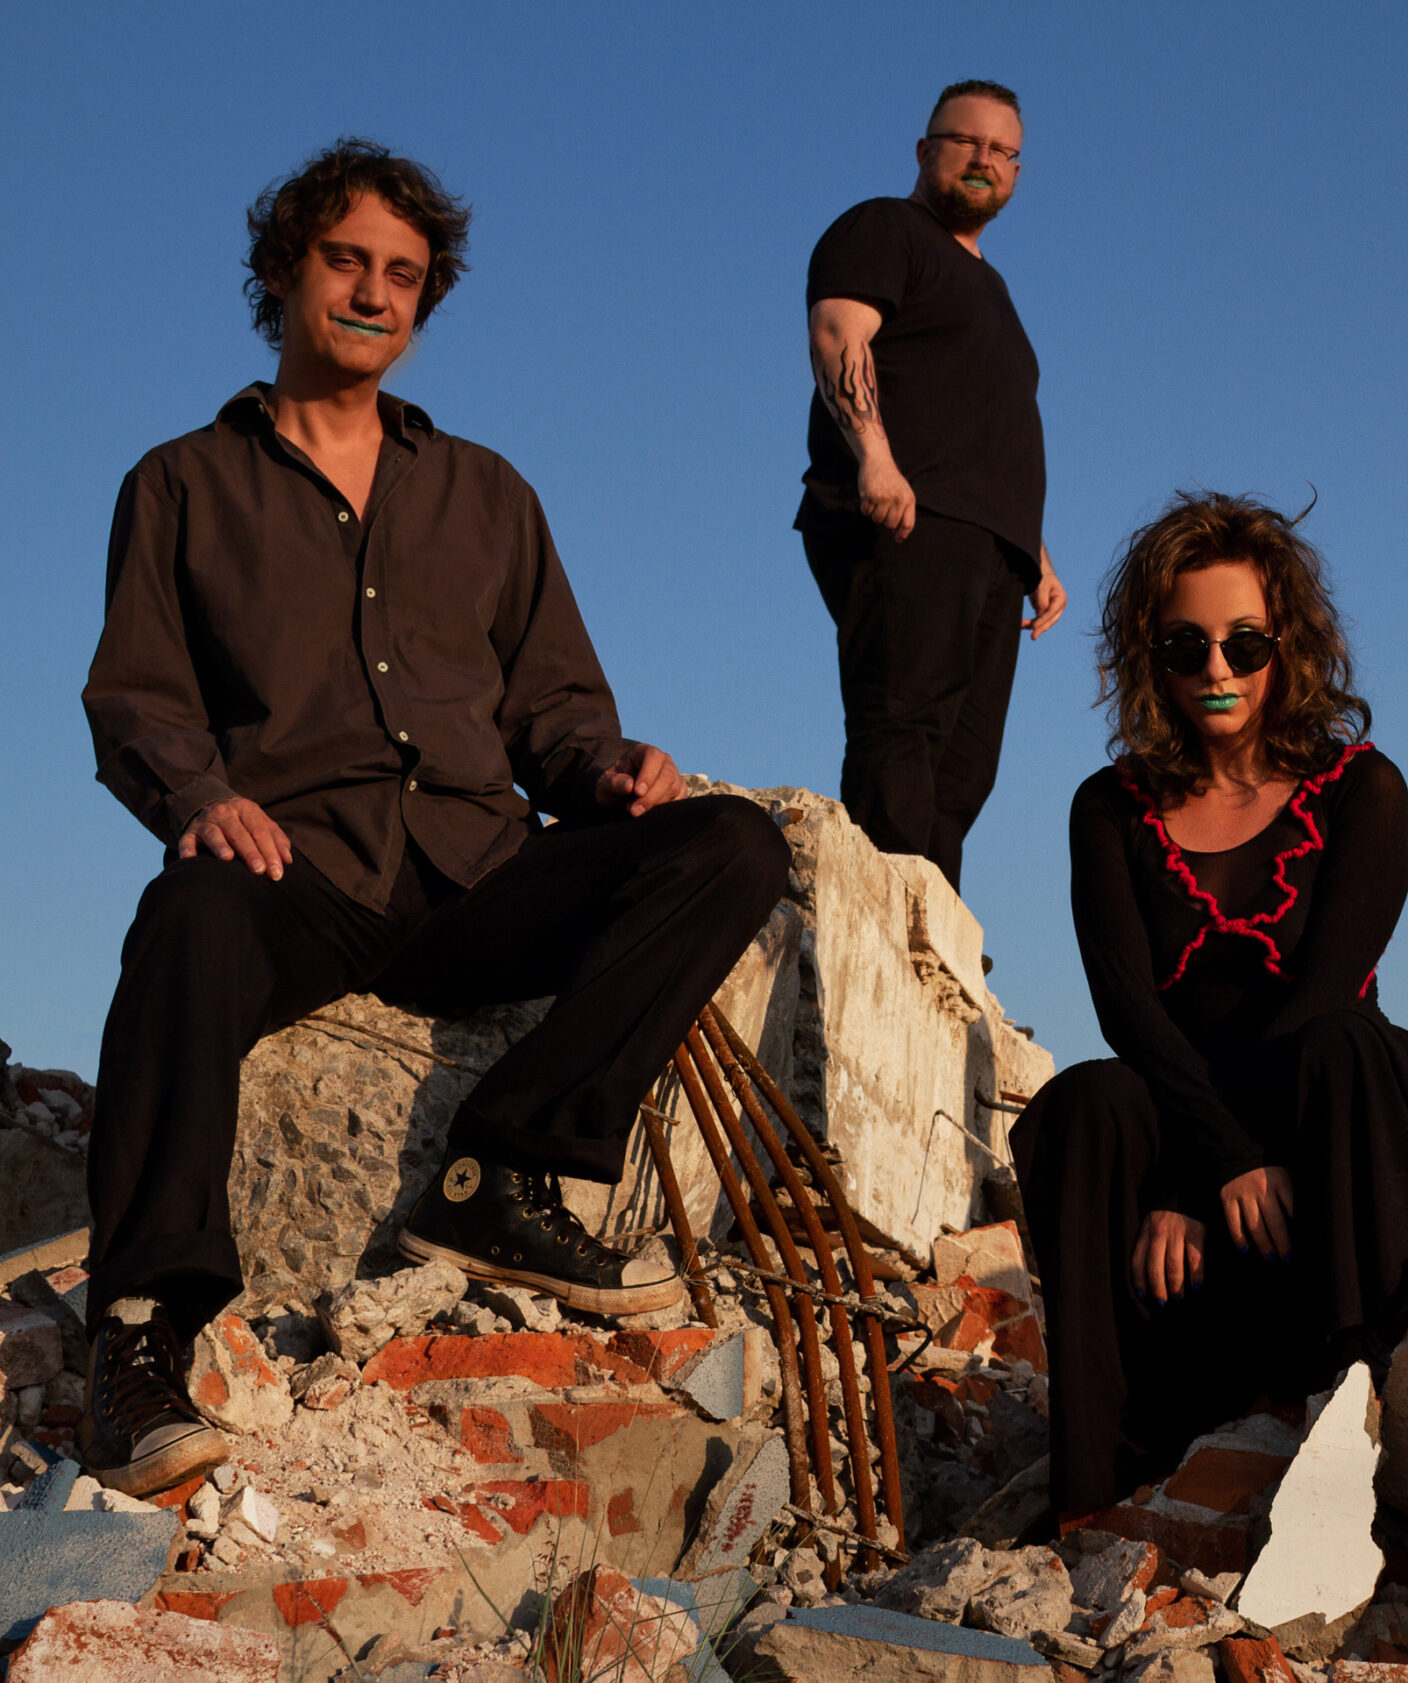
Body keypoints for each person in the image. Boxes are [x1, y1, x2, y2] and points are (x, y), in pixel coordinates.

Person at [78, 139, 791, 1496]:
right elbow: (138, 696)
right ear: (284, 270)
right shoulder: (181, 483)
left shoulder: (488, 492)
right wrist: (203, 797)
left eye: (402, 275)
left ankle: (499, 1174)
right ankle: (141, 1333)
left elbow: (557, 713)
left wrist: (610, 769)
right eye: (346, 260)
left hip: (483, 875)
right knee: (182, 917)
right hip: (299, 873)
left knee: (730, 844)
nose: (373, 292)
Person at [1010, 492, 1408, 1519]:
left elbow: (1322, 992)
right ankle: (1101, 1491)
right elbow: (1128, 1012)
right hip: (1205, 1143)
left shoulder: (1362, 789)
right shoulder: (1108, 808)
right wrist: (1201, 1160)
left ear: (1289, 645)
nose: (1216, 668)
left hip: (1327, 1141)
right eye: (1186, 645)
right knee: (1086, 1102)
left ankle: (1382, 1408)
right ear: (1151, 657)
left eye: (1245, 642)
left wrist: (1205, 1168)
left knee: (1343, 1041)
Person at [799, 78, 1068, 891]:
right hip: (909, 518)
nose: (985, 159)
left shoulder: (993, 288)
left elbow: (984, 419)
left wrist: (1034, 549)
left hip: (992, 545)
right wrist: (875, 457)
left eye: (1003, 150)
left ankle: (931, 924)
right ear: (925, 151)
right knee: (903, 727)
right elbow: (839, 334)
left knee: (964, 766)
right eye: (967, 142)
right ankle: (879, 915)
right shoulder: (885, 227)